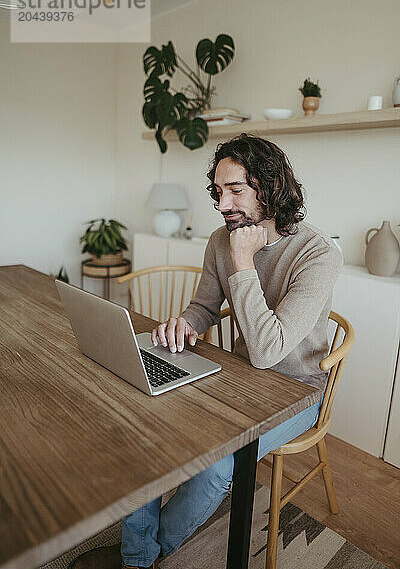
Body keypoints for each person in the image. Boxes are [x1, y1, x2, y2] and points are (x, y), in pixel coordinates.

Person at [77, 134, 342, 569]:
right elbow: (203, 307)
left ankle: (145, 553)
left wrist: (243, 262)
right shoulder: (223, 238)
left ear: (271, 187)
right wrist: (187, 322)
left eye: (236, 190)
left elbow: (267, 350)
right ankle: (139, 555)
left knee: (216, 467)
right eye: (218, 192)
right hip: (238, 377)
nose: (222, 204)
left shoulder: (316, 253)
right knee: (144, 421)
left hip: (296, 392)